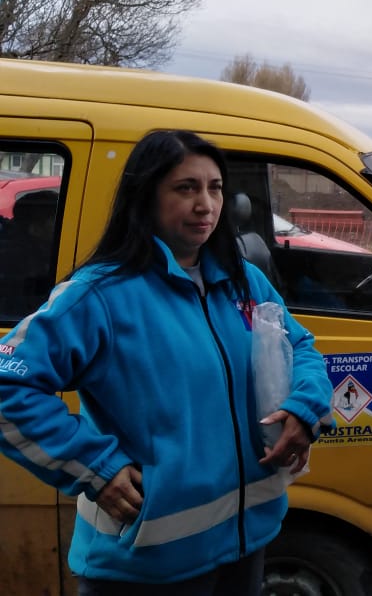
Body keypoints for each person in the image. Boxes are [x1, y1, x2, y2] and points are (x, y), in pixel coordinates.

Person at [0, 130, 334, 595]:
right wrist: (95, 466)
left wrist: (306, 406)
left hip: (247, 544)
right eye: (186, 188)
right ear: (146, 197)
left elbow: (299, 346)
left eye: (215, 187)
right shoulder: (100, 296)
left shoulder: (245, 282)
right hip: (146, 567)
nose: (206, 204)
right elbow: (8, 387)